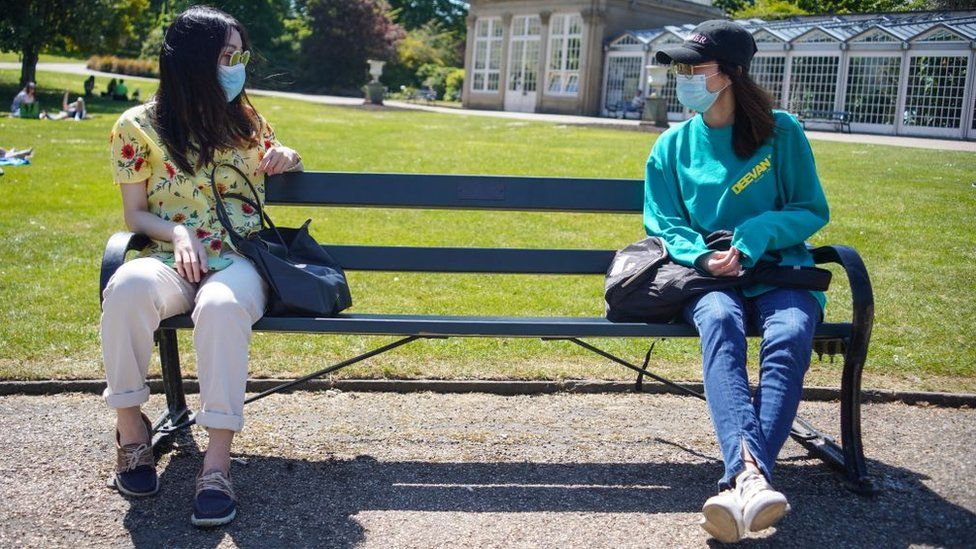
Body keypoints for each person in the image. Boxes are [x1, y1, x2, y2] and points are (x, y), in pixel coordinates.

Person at [102, 5, 303, 527]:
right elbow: (134, 214)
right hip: (173, 256)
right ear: (192, 62)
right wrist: (178, 231)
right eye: (225, 56)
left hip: (241, 259)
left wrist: (287, 154)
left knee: (219, 304)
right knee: (126, 284)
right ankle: (130, 429)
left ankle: (216, 464)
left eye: (240, 55)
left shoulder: (247, 119)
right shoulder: (136, 127)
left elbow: (276, 152)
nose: (236, 66)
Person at [645, 20, 829, 543]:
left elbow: (810, 209)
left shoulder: (782, 131)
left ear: (729, 74)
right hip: (709, 280)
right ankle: (754, 480)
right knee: (721, 323)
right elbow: (664, 222)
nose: (681, 78)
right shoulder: (671, 145)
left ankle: (743, 479)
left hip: (778, 268)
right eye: (678, 68)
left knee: (792, 332)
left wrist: (751, 237)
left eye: (692, 68)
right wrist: (703, 259)